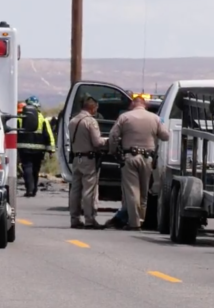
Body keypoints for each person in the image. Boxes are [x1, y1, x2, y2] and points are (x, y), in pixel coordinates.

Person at [108, 96, 170, 230]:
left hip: (130, 157)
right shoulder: (155, 118)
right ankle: (141, 220)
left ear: (132, 104)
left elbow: (113, 135)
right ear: (145, 105)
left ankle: (134, 223)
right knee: (143, 192)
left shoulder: (124, 117)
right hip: (147, 158)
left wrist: (113, 151)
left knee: (132, 191)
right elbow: (166, 136)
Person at [67, 96, 106, 229]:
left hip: (77, 158)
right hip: (88, 159)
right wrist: (108, 140)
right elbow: (97, 142)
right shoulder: (90, 121)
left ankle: (75, 219)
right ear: (92, 107)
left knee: (75, 190)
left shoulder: (73, 121)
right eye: (96, 108)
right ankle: (90, 220)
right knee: (89, 190)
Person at [16, 97, 55, 197]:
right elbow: (48, 135)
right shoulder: (42, 119)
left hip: (23, 148)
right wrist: (51, 150)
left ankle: (30, 189)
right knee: (35, 169)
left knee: (27, 167)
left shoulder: (20, 118)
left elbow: (15, 133)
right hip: (39, 150)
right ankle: (34, 190)